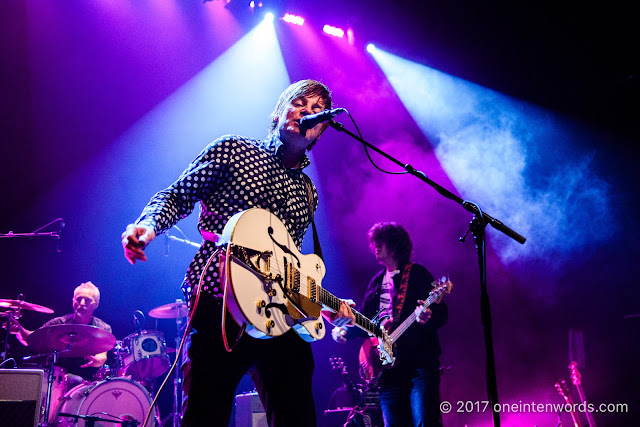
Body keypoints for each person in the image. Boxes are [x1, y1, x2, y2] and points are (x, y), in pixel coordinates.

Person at [121, 80, 355, 427]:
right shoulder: (233, 150)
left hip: (280, 317)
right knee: (206, 414)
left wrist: (320, 303)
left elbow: (290, 264)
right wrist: (149, 225)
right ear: (279, 113)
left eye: (316, 112)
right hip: (220, 300)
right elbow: (177, 195)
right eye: (299, 104)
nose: (307, 113)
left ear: (321, 131)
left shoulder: (308, 191)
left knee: (298, 417)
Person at [332, 222, 448, 427]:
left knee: (425, 421)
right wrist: (344, 331)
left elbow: (441, 313)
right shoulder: (376, 282)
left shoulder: (418, 274)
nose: (376, 246)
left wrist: (428, 314)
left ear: (395, 245)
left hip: (418, 365)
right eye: (374, 242)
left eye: (381, 242)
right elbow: (366, 322)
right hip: (387, 370)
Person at [10, 281, 111, 380]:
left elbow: (102, 357)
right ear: (73, 301)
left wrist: (95, 360)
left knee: (77, 380)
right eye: (79, 299)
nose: (82, 303)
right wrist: (19, 329)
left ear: (96, 304)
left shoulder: (102, 328)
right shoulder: (59, 323)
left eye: (87, 300)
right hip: (58, 377)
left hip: (87, 380)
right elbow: (32, 339)